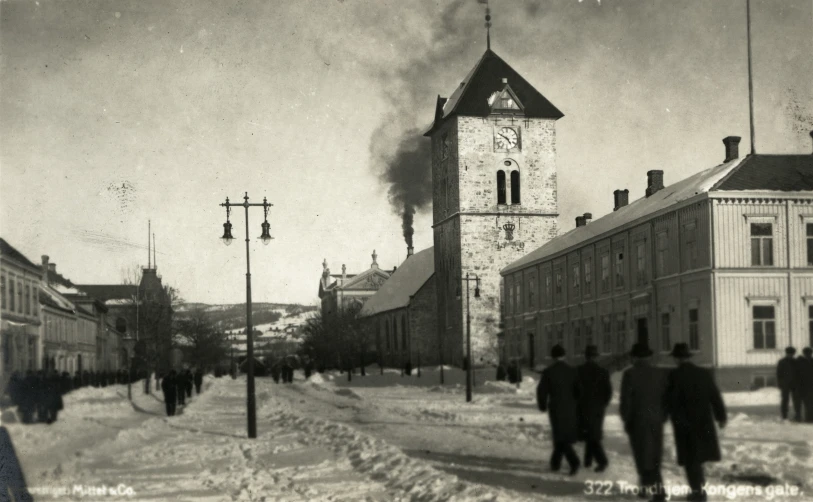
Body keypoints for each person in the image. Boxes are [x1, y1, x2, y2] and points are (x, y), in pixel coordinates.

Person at [665, 343, 727, 502]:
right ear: (688, 357)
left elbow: (669, 400)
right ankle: (698, 489)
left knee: (690, 460)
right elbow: (715, 396)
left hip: (684, 424)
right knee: (698, 458)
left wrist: (665, 416)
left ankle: (698, 493)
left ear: (677, 359)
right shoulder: (704, 373)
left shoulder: (674, 375)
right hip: (703, 423)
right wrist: (721, 416)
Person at [620, 343, 668, 501]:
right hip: (657, 420)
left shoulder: (629, 374)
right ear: (649, 356)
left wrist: (626, 420)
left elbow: (625, 402)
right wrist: (663, 416)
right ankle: (645, 487)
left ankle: (657, 491)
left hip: (638, 421)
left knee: (642, 455)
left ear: (635, 357)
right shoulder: (660, 373)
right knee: (654, 455)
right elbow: (666, 397)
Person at [536, 344, 581, 475]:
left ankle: (574, 462)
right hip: (571, 408)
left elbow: (542, 391)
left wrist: (542, 405)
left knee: (560, 435)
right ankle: (555, 463)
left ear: (552, 356)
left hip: (556, 408)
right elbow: (579, 390)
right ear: (564, 355)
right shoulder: (572, 370)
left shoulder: (549, 372)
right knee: (562, 434)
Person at [577, 345, 612, 473]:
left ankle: (602, 461)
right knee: (593, 433)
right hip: (598, 409)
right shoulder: (603, 372)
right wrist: (602, 404)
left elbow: (575, 391)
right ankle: (587, 460)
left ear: (585, 356)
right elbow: (608, 392)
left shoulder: (579, 371)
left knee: (590, 434)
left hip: (583, 408)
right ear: (596, 357)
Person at [777, 346, 801, 421]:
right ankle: (784, 416)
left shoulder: (796, 362)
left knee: (796, 400)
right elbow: (779, 373)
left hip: (795, 384)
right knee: (785, 400)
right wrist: (780, 383)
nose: (790, 355)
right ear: (786, 353)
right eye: (789, 353)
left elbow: (799, 373)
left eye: (792, 354)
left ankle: (797, 415)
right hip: (785, 384)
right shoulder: (782, 362)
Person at [798, 347, 813, 422]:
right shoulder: (801, 362)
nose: (808, 355)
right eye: (807, 353)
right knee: (807, 403)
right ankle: (809, 418)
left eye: (809, 353)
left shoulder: (802, 362)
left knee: (809, 403)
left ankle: (809, 418)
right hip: (805, 386)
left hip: (808, 385)